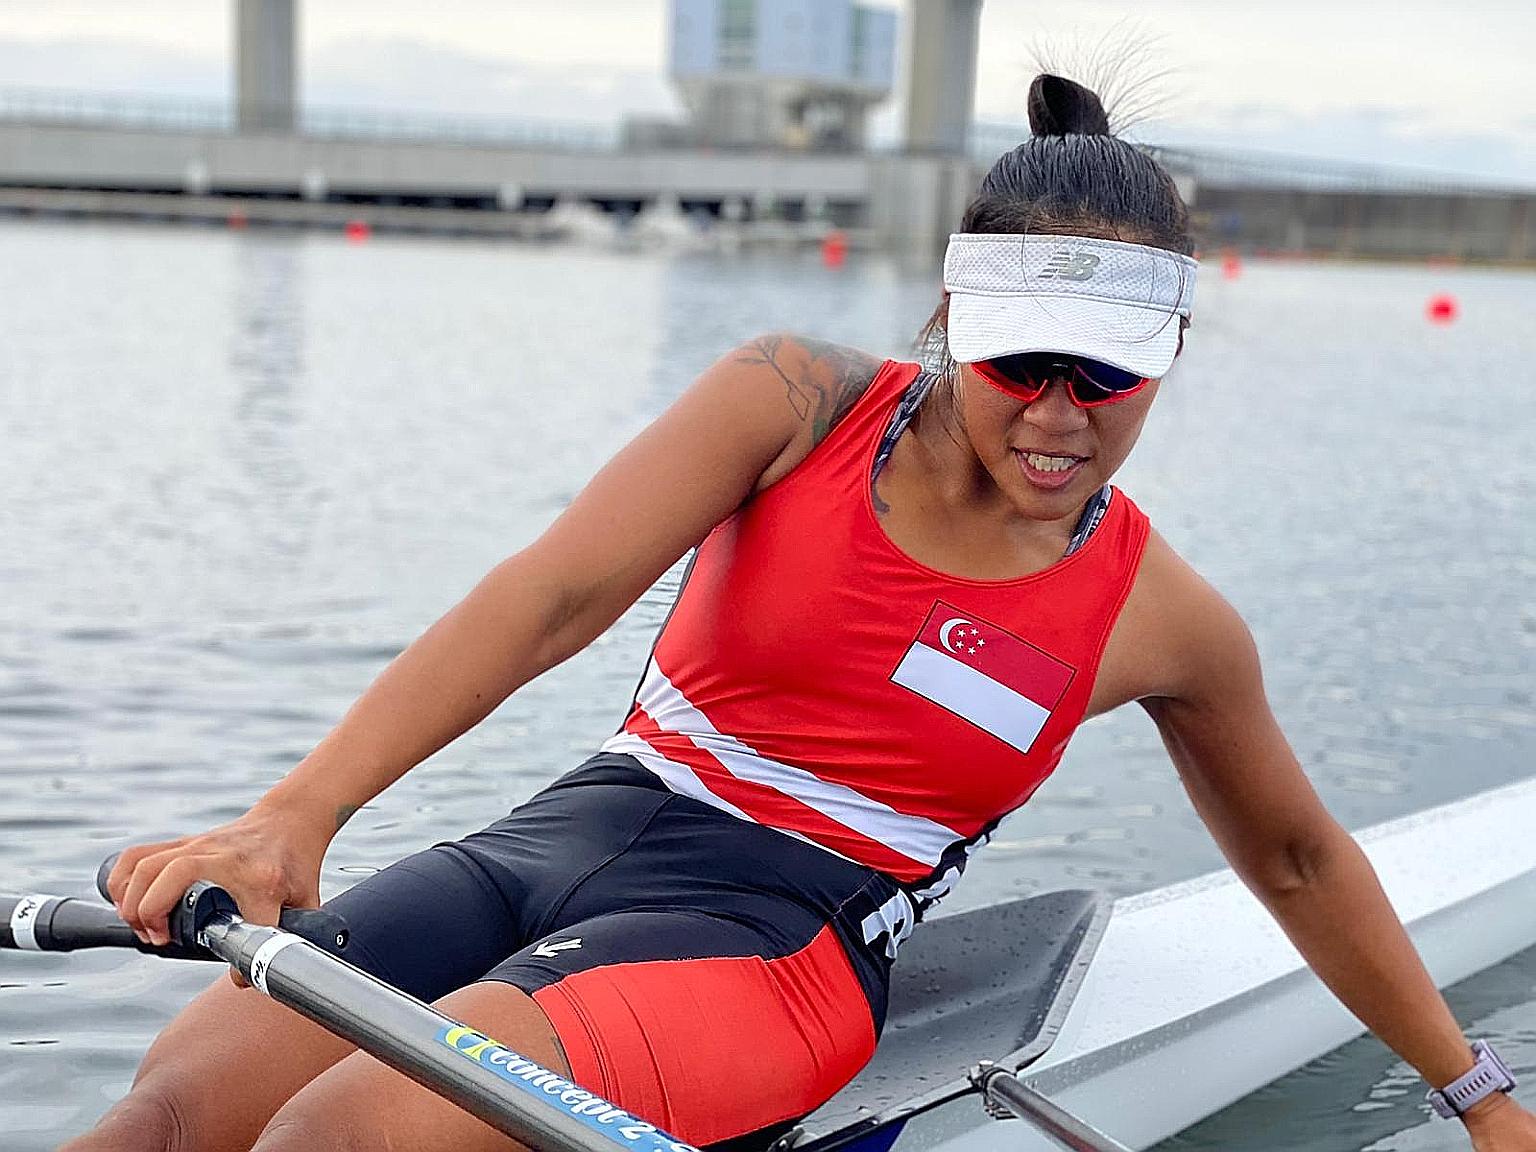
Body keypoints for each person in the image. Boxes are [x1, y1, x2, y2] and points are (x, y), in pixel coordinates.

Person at [69, 75, 1535, 1152]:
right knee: (164, 1124)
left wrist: (1477, 1097)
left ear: (1167, 357)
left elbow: (1294, 858)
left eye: (1110, 376)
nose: (1060, 415)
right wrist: (294, 816)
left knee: (338, 1141)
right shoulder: (792, 404)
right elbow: (552, 596)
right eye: (1025, 361)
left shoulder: (1164, 620)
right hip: (548, 843)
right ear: (956, 323)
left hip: (776, 949)